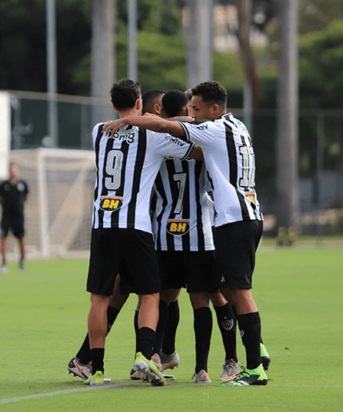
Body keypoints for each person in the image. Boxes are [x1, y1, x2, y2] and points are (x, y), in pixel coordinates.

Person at [103, 80, 269, 386]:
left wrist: (127, 119)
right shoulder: (237, 126)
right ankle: (255, 350)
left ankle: (255, 367)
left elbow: (166, 128)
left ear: (214, 109)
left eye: (196, 108)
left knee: (234, 292)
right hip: (240, 216)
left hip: (231, 220)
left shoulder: (214, 130)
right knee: (225, 291)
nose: (192, 114)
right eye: (189, 109)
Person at [83, 79, 201, 386]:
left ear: (113, 105)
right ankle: (146, 356)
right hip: (135, 225)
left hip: (102, 225)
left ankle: (95, 369)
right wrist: (187, 121)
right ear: (140, 104)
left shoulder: (98, 132)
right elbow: (195, 151)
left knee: (99, 298)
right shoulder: (151, 134)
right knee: (150, 293)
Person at [151, 89, 241, 384]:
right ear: (187, 111)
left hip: (165, 232)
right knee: (204, 298)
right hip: (201, 232)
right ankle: (203, 368)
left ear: (160, 112)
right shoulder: (203, 135)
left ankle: (157, 357)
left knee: (163, 297)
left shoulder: (156, 139)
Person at [0, 164, 29, 272]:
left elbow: (26, 197)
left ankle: (21, 262)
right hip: (6, 217)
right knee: (4, 239)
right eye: (11, 170)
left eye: (14, 170)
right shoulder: (3, 186)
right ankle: (4, 263)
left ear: (17, 171)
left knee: (21, 240)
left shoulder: (23, 184)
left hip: (18, 217)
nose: (13, 172)